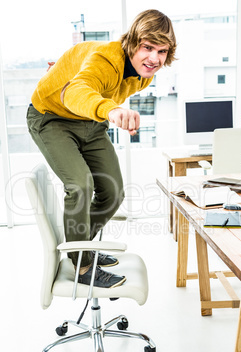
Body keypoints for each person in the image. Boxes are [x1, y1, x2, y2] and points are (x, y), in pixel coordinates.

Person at [26, 9, 177, 288]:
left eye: (162, 51)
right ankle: (81, 266)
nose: (154, 58)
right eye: (147, 47)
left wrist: (65, 67)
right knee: (81, 186)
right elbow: (75, 91)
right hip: (52, 117)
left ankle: (79, 245)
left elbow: (87, 73)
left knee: (112, 192)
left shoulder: (145, 75)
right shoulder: (107, 58)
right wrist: (112, 110)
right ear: (131, 42)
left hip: (91, 122)